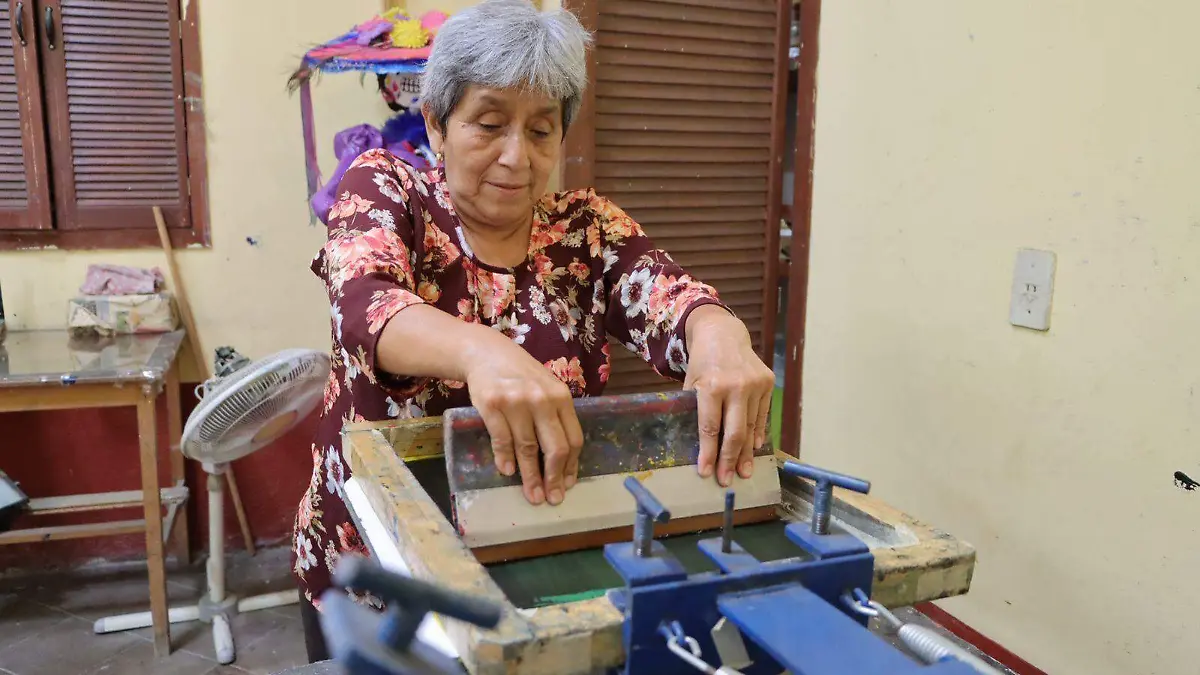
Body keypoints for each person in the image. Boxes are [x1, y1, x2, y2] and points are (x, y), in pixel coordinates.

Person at [293, 0, 775, 661]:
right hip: (380, 565)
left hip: (530, 552)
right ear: (436, 122)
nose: (517, 157)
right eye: (488, 124)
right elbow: (363, 303)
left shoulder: (585, 230)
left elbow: (673, 298)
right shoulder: (387, 189)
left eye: (542, 131)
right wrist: (482, 351)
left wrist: (719, 335)